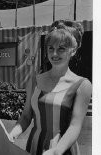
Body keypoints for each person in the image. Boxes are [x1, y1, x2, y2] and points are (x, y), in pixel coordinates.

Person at [9, 20, 92, 155]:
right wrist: (13, 133)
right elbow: (26, 116)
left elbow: (75, 126)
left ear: (73, 51)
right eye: (51, 48)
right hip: (34, 146)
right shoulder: (34, 80)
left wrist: (57, 151)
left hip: (63, 150)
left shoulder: (82, 85)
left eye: (61, 48)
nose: (54, 54)